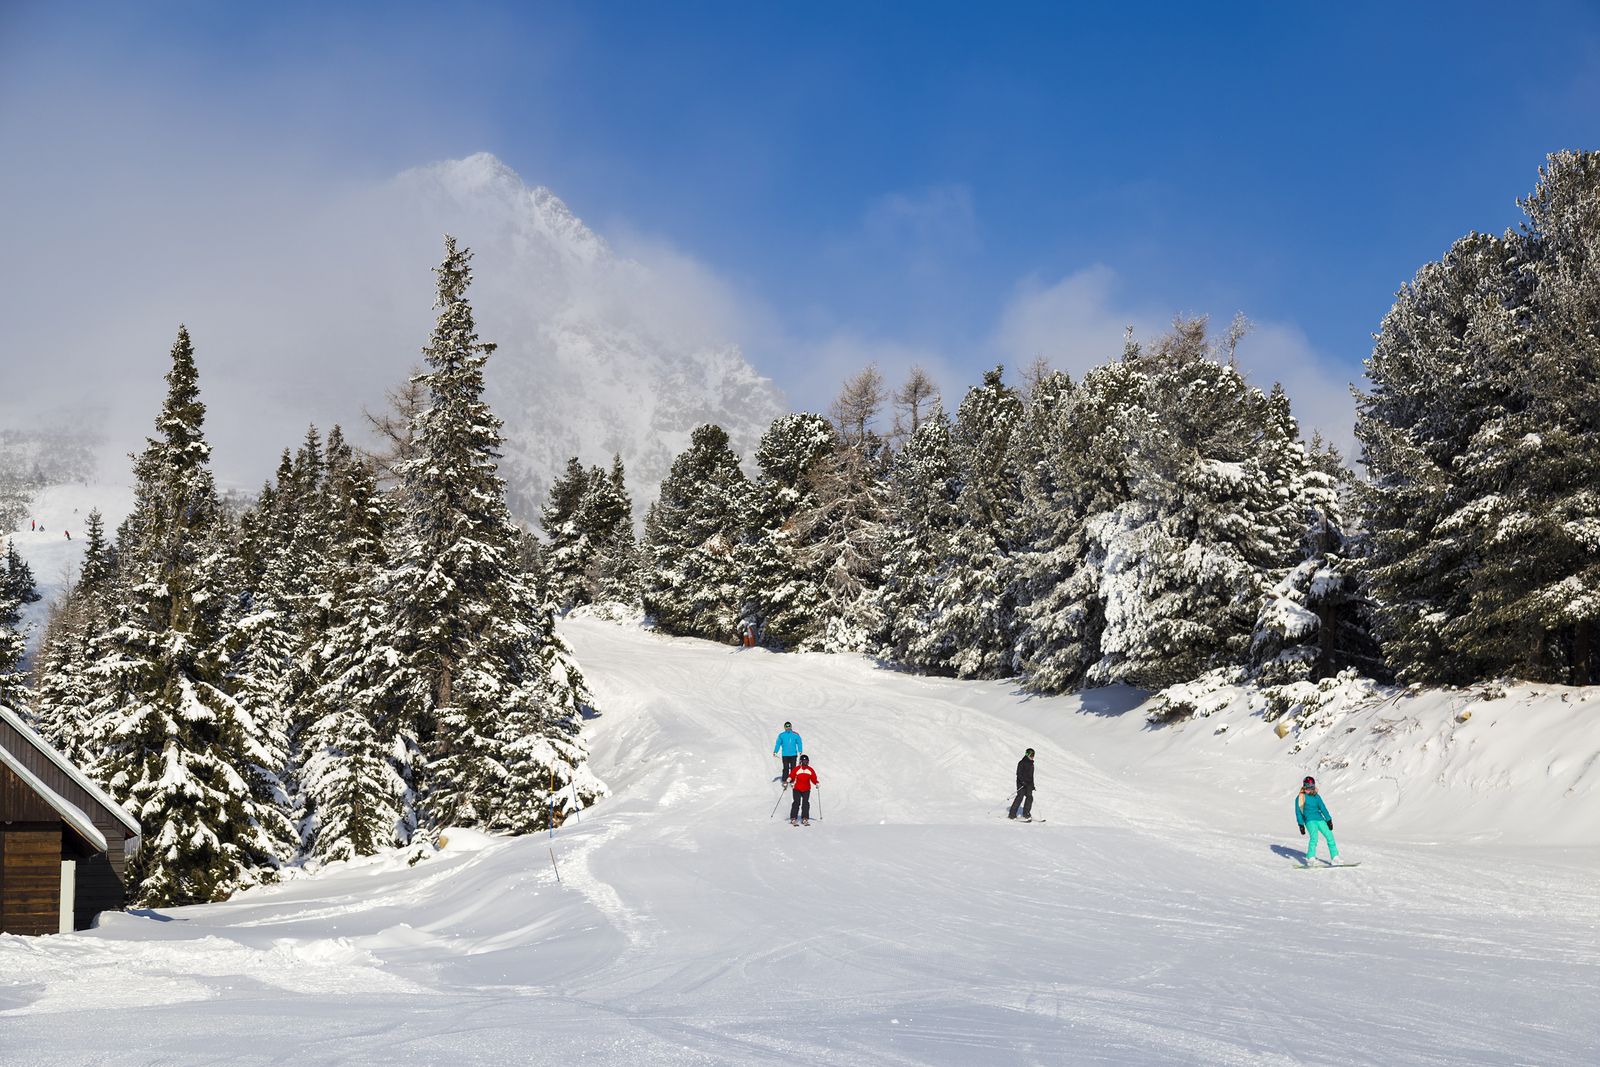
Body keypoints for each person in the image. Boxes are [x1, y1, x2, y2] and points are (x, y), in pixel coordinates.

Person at [1296, 776, 1340, 864]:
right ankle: (1310, 857)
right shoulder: (1300, 797)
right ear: (1304, 786)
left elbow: (1323, 807)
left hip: (1320, 819)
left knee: (1330, 836)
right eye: (1307, 787)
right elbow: (1298, 812)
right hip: (1309, 820)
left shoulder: (1316, 796)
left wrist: (1328, 819)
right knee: (1314, 838)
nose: (1309, 789)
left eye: (1311, 787)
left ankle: (1335, 857)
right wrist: (1301, 824)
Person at [788, 754, 819, 825]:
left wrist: (816, 783)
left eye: (806, 761)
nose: (805, 763)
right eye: (804, 761)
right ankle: (793, 818)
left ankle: (805, 818)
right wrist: (789, 778)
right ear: (801, 761)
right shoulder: (797, 769)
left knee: (805, 803)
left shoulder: (810, 770)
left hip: (806, 789)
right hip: (797, 788)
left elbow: (813, 778)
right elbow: (792, 775)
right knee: (796, 803)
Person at [1008, 748, 1036, 820]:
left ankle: (1026, 813)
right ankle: (1012, 814)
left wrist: (1032, 785)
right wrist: (1023, 782)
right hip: (1021, 783)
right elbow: (1018, 773)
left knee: (1030, 797)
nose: (1033, 756)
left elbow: (1031, 776)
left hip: (1029, 784)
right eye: (1031, 754)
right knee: (1020, 797)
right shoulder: (1021, 762)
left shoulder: (1031, 764)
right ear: (1027, 754)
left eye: (1034, 755)